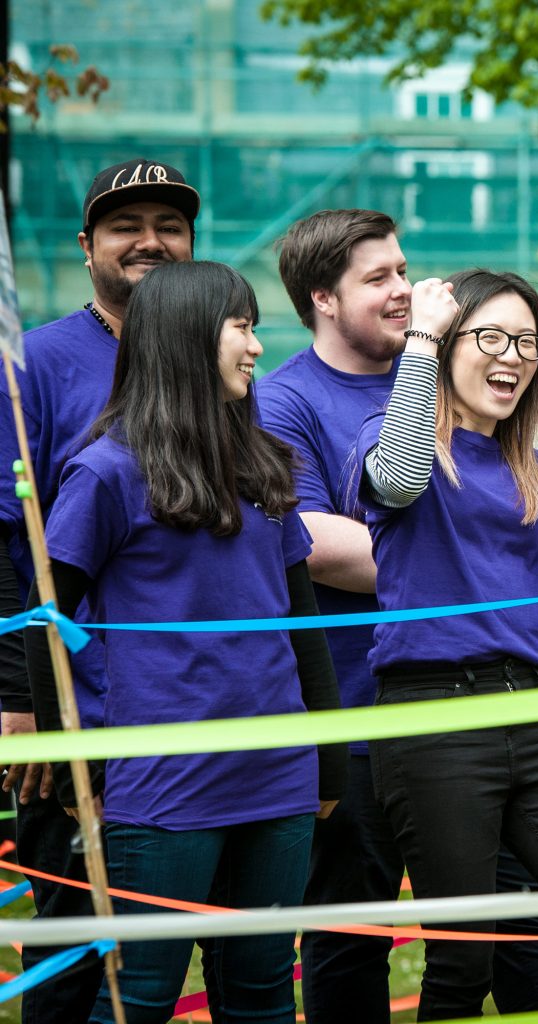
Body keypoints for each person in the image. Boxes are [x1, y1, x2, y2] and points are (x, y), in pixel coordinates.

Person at [258, 209, 538, 1022]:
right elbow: (314, 543)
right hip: (357, 712)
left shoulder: (454, 370)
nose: (404, 290)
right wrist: (471, 560)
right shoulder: (285, 402)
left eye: (404, 270)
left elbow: (528, 500)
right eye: (378, 278)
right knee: (350, 929)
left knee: (521, 924)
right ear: (321, 297)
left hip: (489, 716)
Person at [25, 260, 345, 1024]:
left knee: (264, 994)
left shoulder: (262, 466)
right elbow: (48, 630)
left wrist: (327, 758)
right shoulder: (104, 473)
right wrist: (76, 768)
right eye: (242, 326)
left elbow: (302, 625)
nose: (256, 347)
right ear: (185, 338)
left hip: (279, 780)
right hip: (164, 786)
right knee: (140, 998)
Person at [356, 268, 538, 1021]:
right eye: (490, 337)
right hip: (433, 721)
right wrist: (417, 338)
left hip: (532, 716)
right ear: (449, 345)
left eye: (527, 342)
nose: (512, 356)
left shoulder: (533, 466)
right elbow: (393, 481)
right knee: (463, 961)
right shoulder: (401, 442)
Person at [0, 158, 198, 1023]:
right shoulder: (34, 364)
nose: (151, 241)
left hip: (198, 709)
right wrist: (22, 701)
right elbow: (11, 543)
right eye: (127, 226)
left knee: (177, 947)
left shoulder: (221, 365)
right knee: (76, 942)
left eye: (170, 225)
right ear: (88, 248)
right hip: (76, 711)